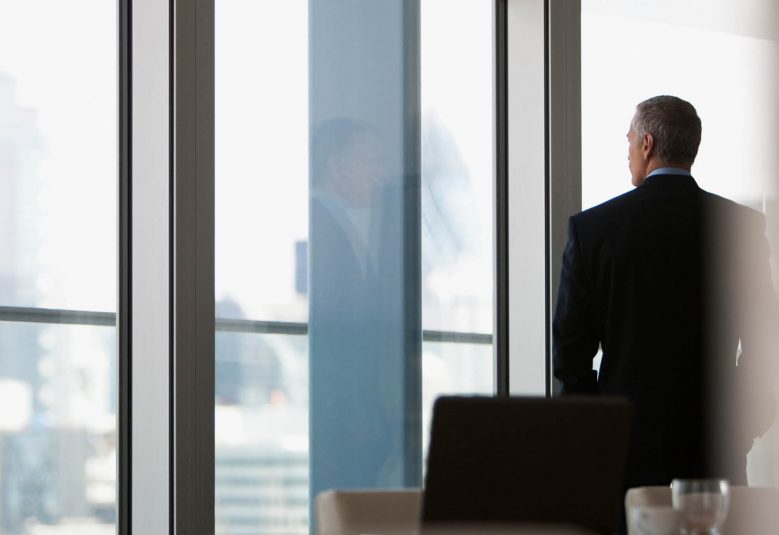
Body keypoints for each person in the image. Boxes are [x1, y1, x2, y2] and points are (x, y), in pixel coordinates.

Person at [553, 95, 777, 531]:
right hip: (717, 446)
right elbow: (765, 339)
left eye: (630, 142)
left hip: (628, 453)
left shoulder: (594, 231)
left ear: (648, 144)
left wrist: (601, 437)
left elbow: (571, 357)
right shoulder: (742, 228)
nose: (628, 153)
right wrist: (744, 424)